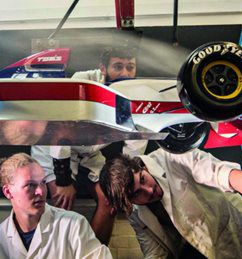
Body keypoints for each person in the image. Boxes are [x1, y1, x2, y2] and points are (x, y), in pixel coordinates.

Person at [98, 148, 242, 258]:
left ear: (140, 167)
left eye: (143, 180)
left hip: (240, 238)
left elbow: (224, 174)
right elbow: (155, 252)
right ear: (129, 203)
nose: (149, 190)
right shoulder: (136, 213)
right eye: (137, 194)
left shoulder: (173, 157)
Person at [31, 47, 147, 244]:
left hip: (90, 154)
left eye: (130, 67)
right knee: (62, 204)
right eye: (118, 67)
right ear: (103, 68)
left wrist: (123, 182)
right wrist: (63, 179)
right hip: (54, 148)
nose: (125, 74)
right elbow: (60, 131)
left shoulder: (136, 94)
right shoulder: (82, 82)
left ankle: (94, 255)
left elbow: (135, 143)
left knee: (110, 200)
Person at [0, 153, 113, 259]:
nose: (41, 191)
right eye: (30, 185)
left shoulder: (73, 224)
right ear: (8, 192)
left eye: (43, 182)